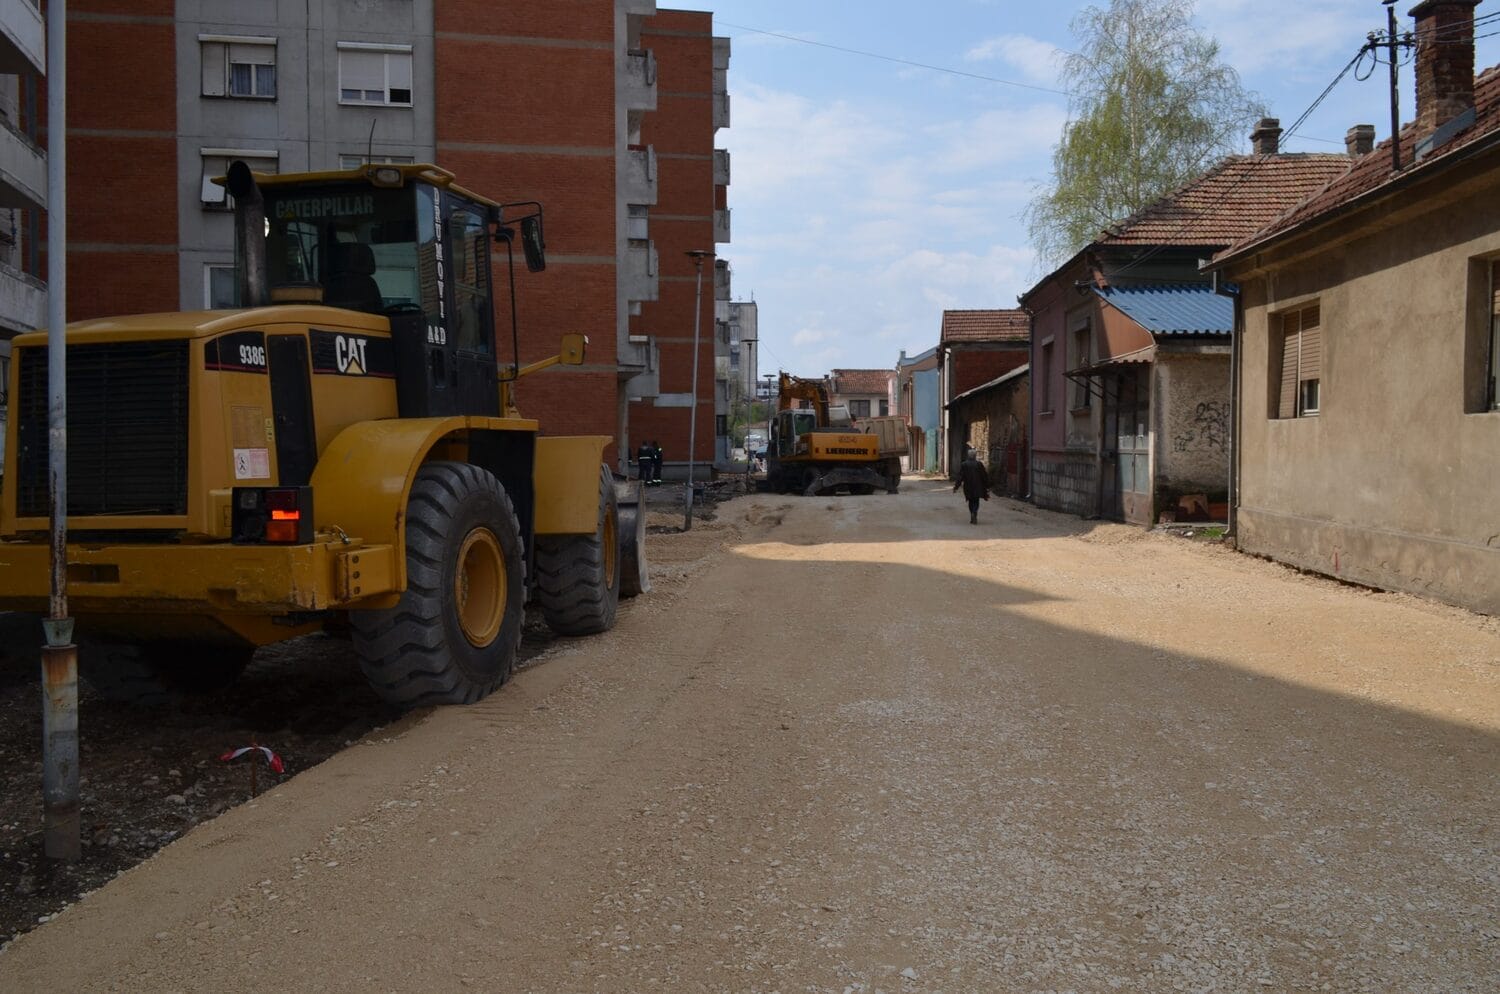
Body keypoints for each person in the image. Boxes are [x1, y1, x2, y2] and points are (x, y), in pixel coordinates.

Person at [953, 447, 991, 524]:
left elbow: (960, 477)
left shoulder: (964, 464)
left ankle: (972, 514)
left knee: (970, 500)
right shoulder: (979, 464)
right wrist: (987, 486)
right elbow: (984, 476)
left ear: (968, 456)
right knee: (976, 500)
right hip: (978, 486)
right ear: (975, 456)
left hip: (968, 486)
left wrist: (956, 487)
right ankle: (974, 512)